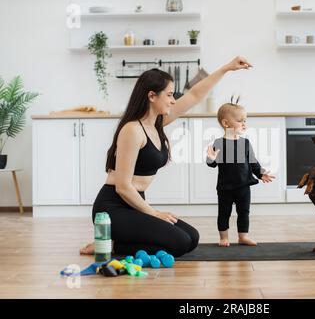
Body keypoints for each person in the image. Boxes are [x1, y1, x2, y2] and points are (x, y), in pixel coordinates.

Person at [80, 56, 252, 257]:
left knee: (192, 238)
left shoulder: (157, 124)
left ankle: (120, 241)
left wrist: (226, 68)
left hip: (134, 204)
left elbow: (195, 94)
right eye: (169, 95)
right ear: (152, 96)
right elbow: (123, 187)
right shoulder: (132, 130)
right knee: (179, 243)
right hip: (113, 208)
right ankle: (110, 244)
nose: (173, 100)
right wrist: (154, 213)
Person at [206, 98, 275, 247]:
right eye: (240, 120)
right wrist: (210, 158)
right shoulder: (219, 143)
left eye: (245, 120)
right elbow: (212, 164)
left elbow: (253, 162)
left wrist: (261, 173)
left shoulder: (245, 143)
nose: (244, 124)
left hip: (244, 185)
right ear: (226, 123)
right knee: (224, 213)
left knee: (244, 212)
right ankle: (223, 237)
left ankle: (243, 236)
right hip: (225, 187)